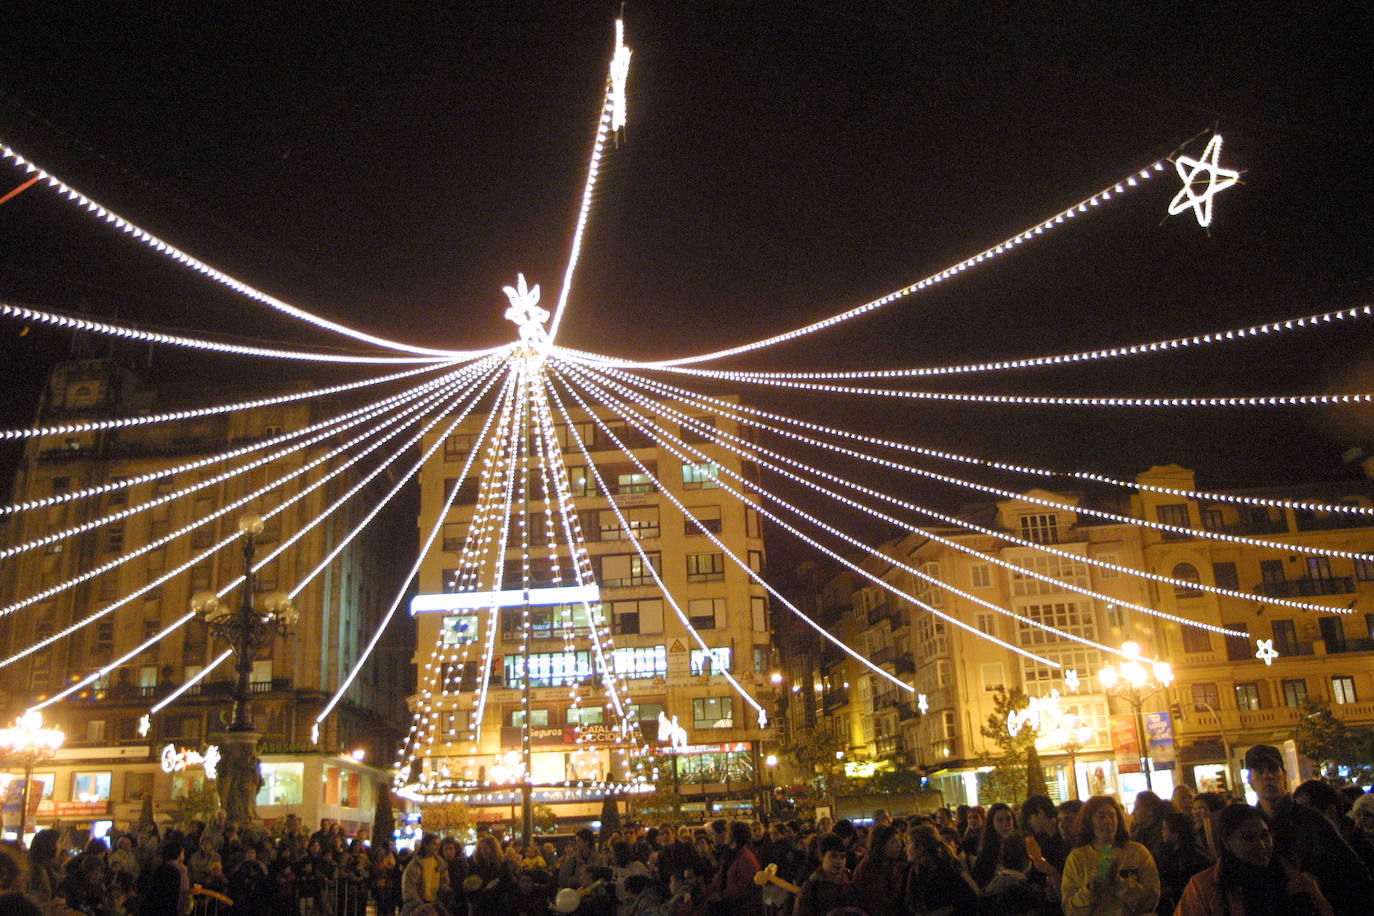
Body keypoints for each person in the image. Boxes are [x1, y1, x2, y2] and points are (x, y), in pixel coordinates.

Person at [1244, 743, 1374, 916]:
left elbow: (1354, 873)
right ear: (1250, 780)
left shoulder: (1311, 821)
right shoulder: (1249, 825)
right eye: (1259, 771)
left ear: (1283, 775)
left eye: (1273, 769)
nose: (1268, 776)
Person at [1174, 803, 1332, 916]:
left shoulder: (1295, 879)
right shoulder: (1203, 888)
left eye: (1265, 835)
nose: (1262, 845)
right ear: (1227, 843)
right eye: (1249, 838)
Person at [1060, 794, 1160, 916]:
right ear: (1089, 821)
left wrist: (1121, 883)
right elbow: (1069, 909)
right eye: (1101, 817)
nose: (1108, 821)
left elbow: (1151, 900)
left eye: (1112, 816)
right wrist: (1091, 889)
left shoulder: (1138, 852)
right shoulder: (1077, 858)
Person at [902, 823, 978, 916]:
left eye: (908, 843)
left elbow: (967, 902)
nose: (905, 848)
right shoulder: (911, 870)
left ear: (921, 847)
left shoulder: (946, 870)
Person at [1153, 810, 1210, 915]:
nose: (1162, 832)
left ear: (1176, 835)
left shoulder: (1189, 859)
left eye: (1165, 829)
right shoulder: (1169, 854)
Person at [792, 833, 857, 916]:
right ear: (821, 857)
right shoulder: (811, 889)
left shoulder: (849, 882)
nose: (839, 861)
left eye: (842, 856)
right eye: (833, 856)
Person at [707, 820, 762, 914]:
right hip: (731, 905)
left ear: (735, 836)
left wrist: (722, 896)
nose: (725, 834)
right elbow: (721, 876)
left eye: (728, 831)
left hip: (741, 908)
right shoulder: (731, 854)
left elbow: (743, 885)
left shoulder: (745, 857)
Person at [849, 824, 903, 916]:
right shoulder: (869, 868)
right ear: (880, 845)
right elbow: (877, 905)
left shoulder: (891, 863)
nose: (900, 845)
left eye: (899, 840)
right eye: (893, 841)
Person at [400, 834, 448, 916]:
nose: (437, 847)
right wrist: (419, 904)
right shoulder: (416, 864)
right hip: (419, 905)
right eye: (434, 844)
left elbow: (444, 881)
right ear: (426, 845)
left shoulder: (440, 862)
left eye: (438, 844)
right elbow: (409, 886)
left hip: (435, 904)